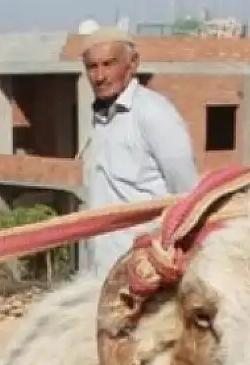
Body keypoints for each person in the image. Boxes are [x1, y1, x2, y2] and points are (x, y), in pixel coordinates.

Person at [77, 28, 198, 277]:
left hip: (144, 274)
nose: (99, 76)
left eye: (109, 64)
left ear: (132, 64)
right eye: (92, 67)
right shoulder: (101, 118)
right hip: (100, 273)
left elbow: (187, 196)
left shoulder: (154, 113)